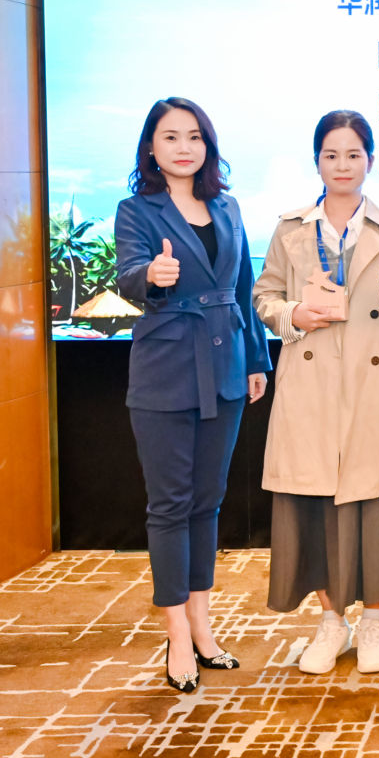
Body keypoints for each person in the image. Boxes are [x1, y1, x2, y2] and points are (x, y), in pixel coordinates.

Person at [253, 110, 379, 675]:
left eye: (354, 155)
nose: (343, 165)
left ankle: (374, 622)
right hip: (312, 384)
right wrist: (293, 315)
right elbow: (264, 296)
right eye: (332, 155)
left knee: (373, 505)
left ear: (369, 161)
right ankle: (332, 622)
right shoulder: (290, 229)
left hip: (374, 387)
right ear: (317, 162)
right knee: (316, 503)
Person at [115, 96, 270, 694]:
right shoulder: (137, 210)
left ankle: (203, 625)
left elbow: (244, 286)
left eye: (194, 136)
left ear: (208, 146)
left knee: (207, 502)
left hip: (226, 368)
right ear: (151, 147)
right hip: (166, 369)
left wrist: (256, 360)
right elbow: (128, 275)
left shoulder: (227, 206)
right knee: (170, 505)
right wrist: (151, 277)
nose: (184, 147)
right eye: (171, 136)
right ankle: (176, 632)